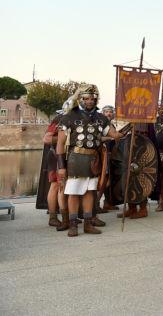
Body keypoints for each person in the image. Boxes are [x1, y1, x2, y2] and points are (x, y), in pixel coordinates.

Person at [56, 84, 123, 237]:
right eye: (86, 98)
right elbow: (60, 143)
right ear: (80, 99)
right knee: (73, 193)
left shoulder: (101, 119)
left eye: (93, 99)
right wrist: (61, 166)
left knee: (89, 192)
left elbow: (113, 133)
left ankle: (87, 224)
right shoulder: (69, 117)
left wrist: (122, 132)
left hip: (93, 160)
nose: (90, 101)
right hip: (76, 159)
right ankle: (73, 225)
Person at [43, 113, 68, 230]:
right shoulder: (59, 119)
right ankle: (53, 218)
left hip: (67, 156)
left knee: (64, 186)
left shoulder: (77, 118)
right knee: (57, 186)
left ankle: (66, 217)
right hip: (56, 156)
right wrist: (64, 138)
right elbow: (47, 138)